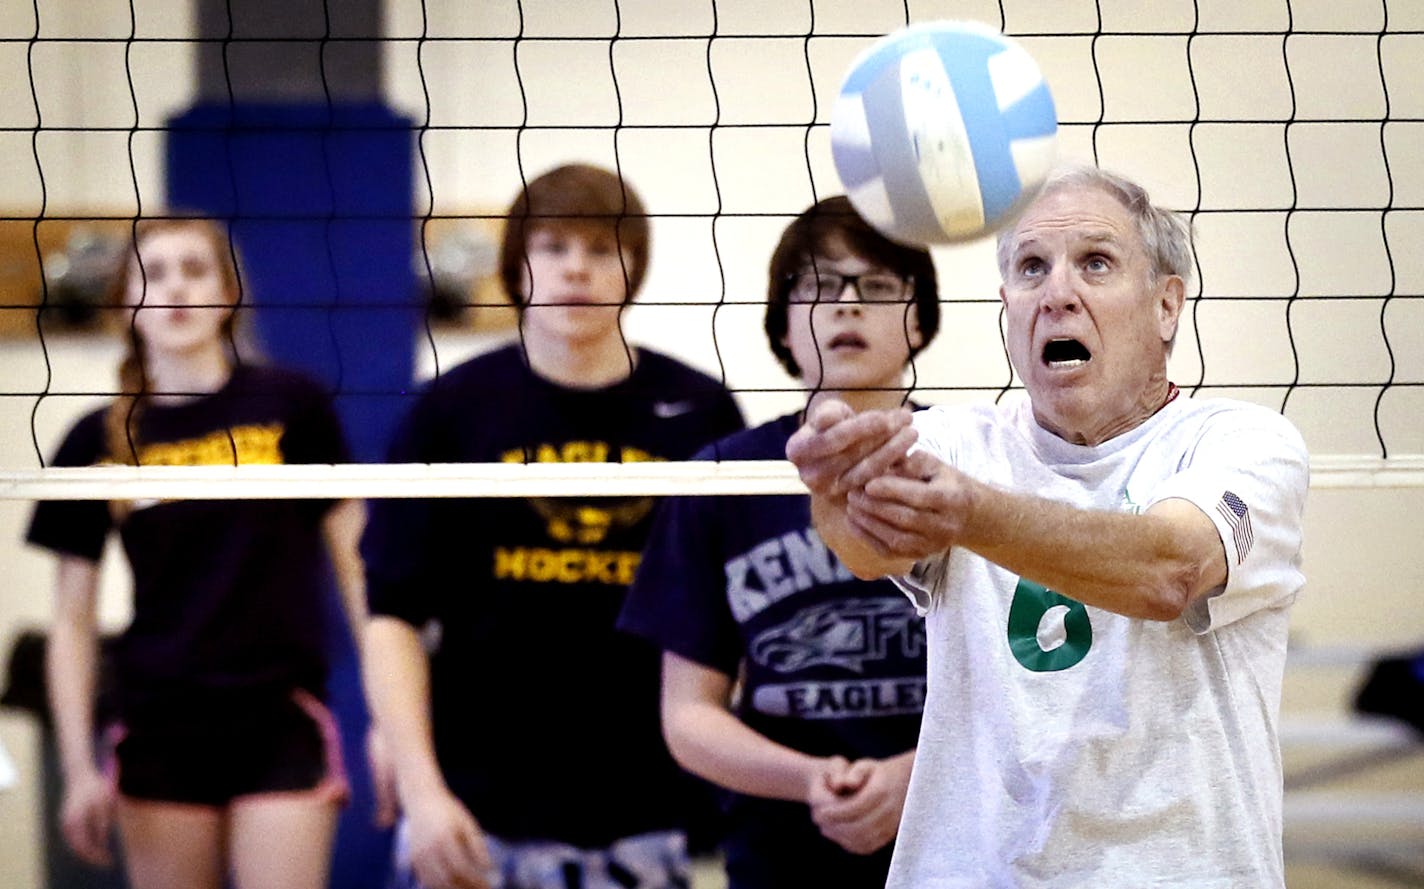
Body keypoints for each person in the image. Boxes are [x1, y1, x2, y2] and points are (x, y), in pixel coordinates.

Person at [786, 165, 1310, 886]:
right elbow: (867, 546)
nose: (1058, 293)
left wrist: (974, 511)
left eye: (1096, 263)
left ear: (1165, 305)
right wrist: (835, 479)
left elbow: (1170, 570)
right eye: (1032, 269)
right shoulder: (958, 441)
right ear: (1009, 306)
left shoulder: (1245, 443)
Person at [361, 162, 746, 889]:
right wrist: (421, 790)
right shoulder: (449, 411)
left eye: (602, 249)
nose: (577, 268)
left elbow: (735, 617)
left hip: (654, 813)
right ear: (516, 263)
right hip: (477, 811)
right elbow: (392, 617)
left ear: (634, 265)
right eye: (554, 246)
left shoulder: (699, 410)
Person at [26, 216, 366, 889]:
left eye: (196, 269)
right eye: (155, 274)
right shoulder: (98, 436)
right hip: (159, 722)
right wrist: (78, 769)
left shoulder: (290, 403)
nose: (176, 289)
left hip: (279, 713)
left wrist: (391, 722)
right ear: (126, 302)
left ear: (229, 292)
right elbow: (72, 620)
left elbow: (359, 568)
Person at [618, 196, 938, 888]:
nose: (848, 305)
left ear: (918, 320)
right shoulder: (721, 477)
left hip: (961, 846)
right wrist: (813, 779)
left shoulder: (981, 462)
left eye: (877, 286)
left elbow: (1036, 692)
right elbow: (687, 715)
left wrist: (916, 775)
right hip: (782, 853)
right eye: (820, 285)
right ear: (784, 325)